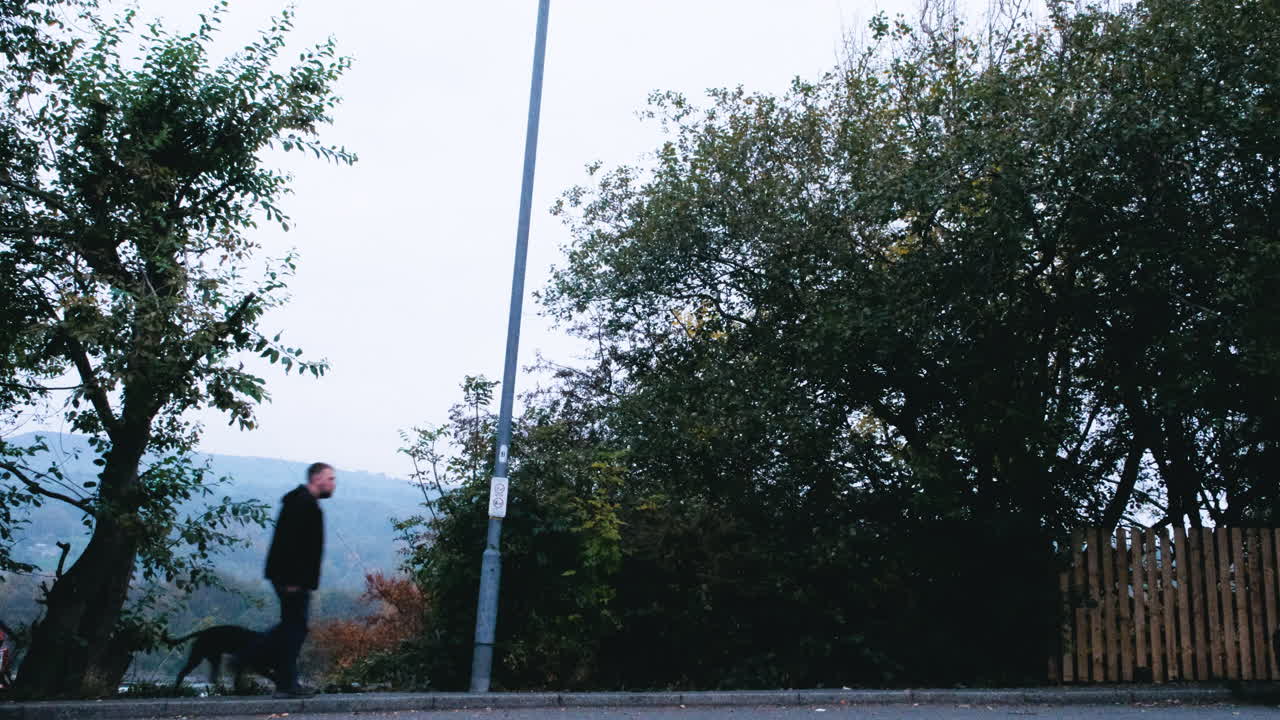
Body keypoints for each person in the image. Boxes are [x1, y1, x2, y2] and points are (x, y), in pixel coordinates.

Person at [257, 462, 335, 697]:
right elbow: (289, 544)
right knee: (294, 628)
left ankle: (281, 678)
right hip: (291, 578)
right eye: (330, 479)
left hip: (294, 577)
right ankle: (281, 679)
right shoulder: (301, 504)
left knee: (292, 627)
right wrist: (291, 579)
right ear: (317, 478)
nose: (333, 484)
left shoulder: (304, 503)